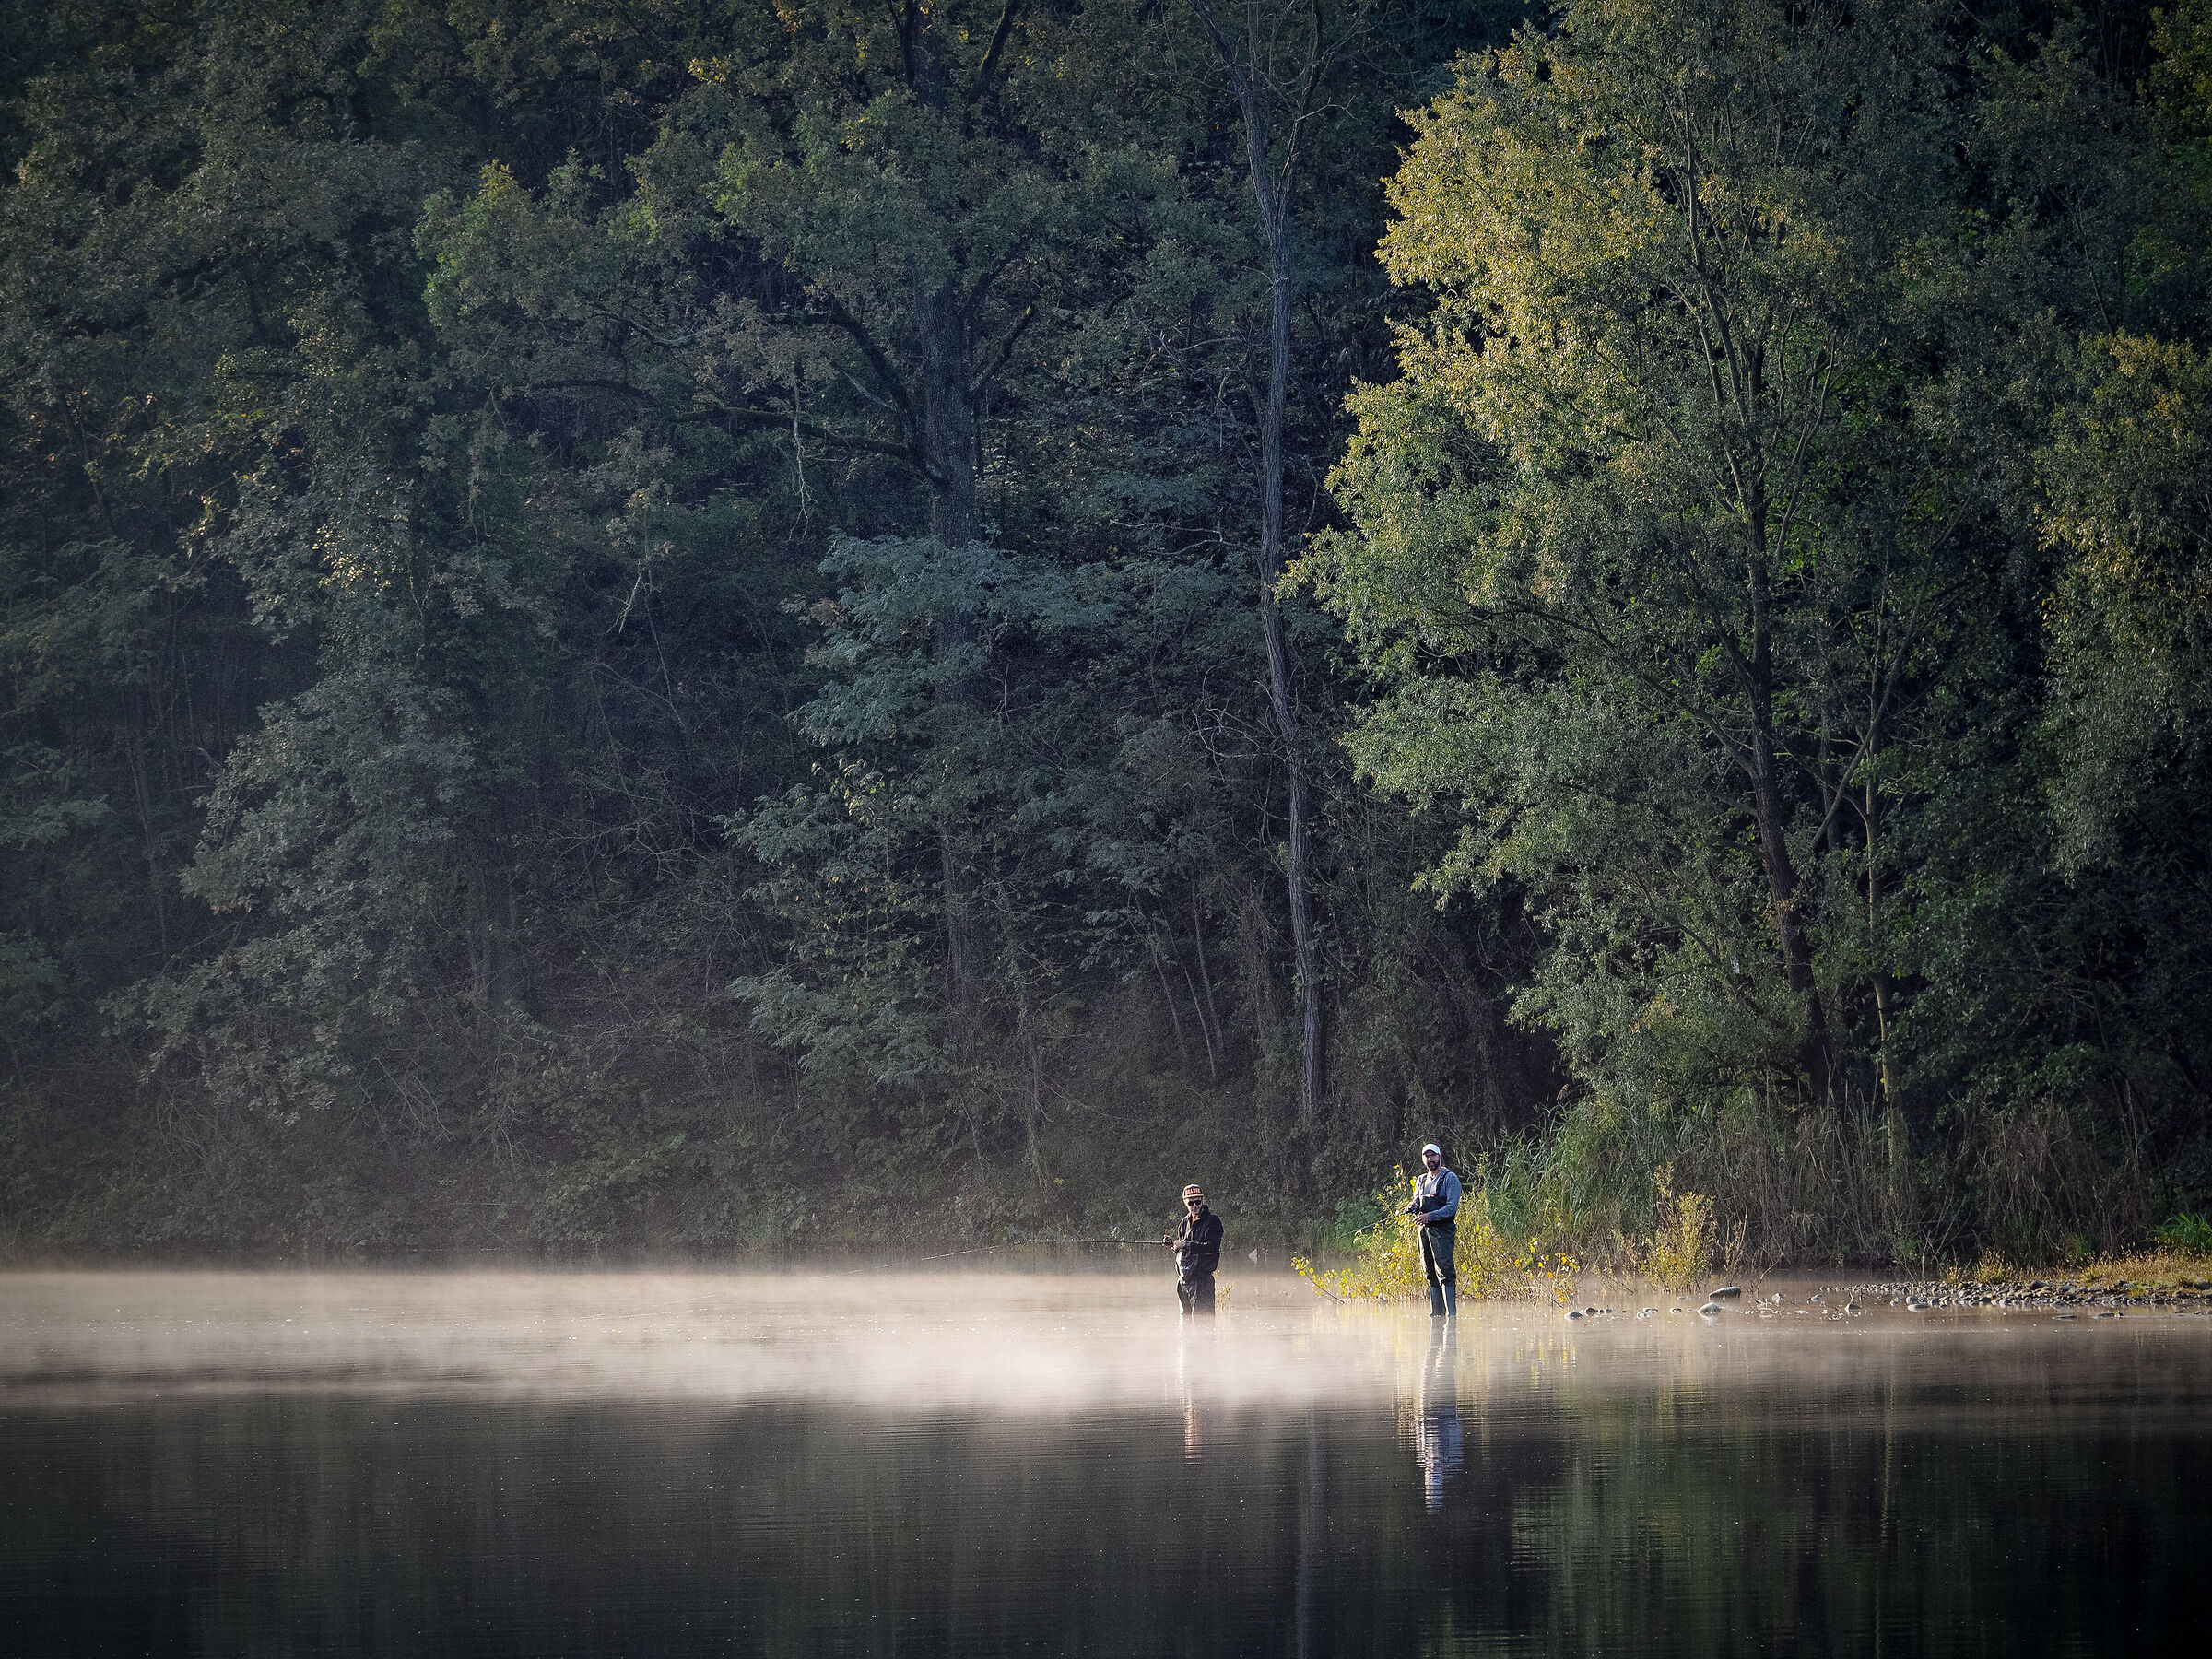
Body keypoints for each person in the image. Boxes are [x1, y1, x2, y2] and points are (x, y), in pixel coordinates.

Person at [1406, 1142, 1461, 1317]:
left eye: (1433, 1155)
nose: (1430, 1159)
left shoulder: (1449, 1178)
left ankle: (1451, 1316)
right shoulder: (1421, 1180)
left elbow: (1451, 1208)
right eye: (1426, 1156)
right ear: (1423, 1159)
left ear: (1440, 1156)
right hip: (1424, 1232)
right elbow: (1417, 1201)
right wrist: (1413, 1206)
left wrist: (1429, 1216)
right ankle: (1437, 1315)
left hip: (1443, 1231)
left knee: (1445, 1271)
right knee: (1429, 1271)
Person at [1163, 1184, 1224, 1315]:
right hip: (1184, 1281)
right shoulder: (1184, 1223)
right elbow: (1183, 1251)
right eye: (1191, 1203)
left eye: (1197, 1201)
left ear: (1203, 1200)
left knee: (1203, 1323)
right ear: (1185, 1203)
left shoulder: (1212, 1221)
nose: (1195, 1205)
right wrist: (1173, 1245)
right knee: (1185, 1323)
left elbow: (1211, 1248)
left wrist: (1185, 1244)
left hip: (1203, 1282)